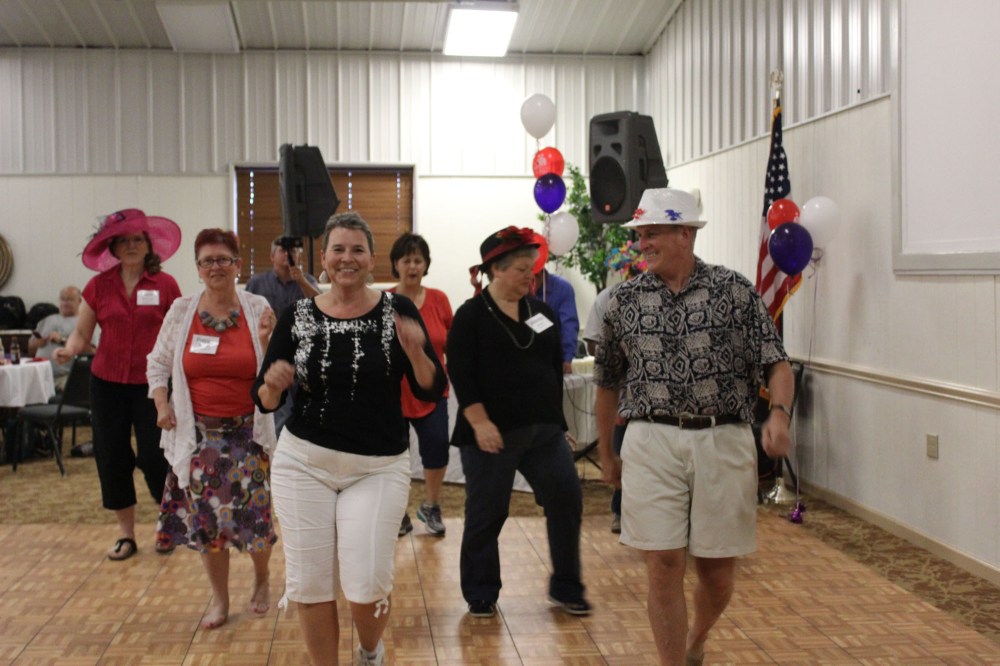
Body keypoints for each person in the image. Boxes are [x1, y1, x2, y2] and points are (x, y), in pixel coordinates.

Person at [593, 188, 794, 665]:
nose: (642, 243)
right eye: (640, 234)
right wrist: (607, 453)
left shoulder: (734, 290)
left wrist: (780, 413)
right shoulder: (622, 302)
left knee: (717, 575)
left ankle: (695, 641)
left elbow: (777, 364)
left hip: (722, 438)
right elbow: (606, 385)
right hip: (650, 437)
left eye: (652, 232)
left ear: (685, 233)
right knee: (662, 564)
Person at [253, 212, 445, 666]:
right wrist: (274, 385)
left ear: (372, 259)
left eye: (357, 250)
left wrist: (416, 352)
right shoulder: (296, 315)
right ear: (323, 258)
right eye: (338, 249)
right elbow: (261, 398)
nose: (347, 258)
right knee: (311, 582)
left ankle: (370, 652)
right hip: (303, 463)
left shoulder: (397, 310)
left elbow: (431, 389)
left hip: (377, 466)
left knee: (367, 583)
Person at [448, 226, 590, 619]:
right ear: (495, 270)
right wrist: (479, 422)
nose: (530, 276)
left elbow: (550, 373)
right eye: (521, 270)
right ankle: (480, 591)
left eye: (532, 269)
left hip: (543, 431)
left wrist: (560, 424)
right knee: (488, 511)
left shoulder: (541, 313)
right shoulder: (471, 316)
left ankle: (566, 586)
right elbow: (461, 374)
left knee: (566, 497)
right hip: (490, 432)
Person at [146, 229, 278, 630]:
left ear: (238, 265)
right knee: (208, 527)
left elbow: (276, 367)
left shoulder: (257, 307)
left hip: (248, 436)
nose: (216, 266)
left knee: (256, 524)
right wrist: (162, 403)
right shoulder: (182, 311)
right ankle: (219, 600)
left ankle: (261, 578)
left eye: (224, 259)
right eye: (207, 261)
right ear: (198, 268)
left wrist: (268, 339)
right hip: (200, 438)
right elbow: (158, 362)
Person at [55, 209, 182, 561]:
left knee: (155, 457)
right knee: (112, 457)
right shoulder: (98, 286)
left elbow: (178, 334)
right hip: (107, 382)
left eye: (137, 239)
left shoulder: (166, 285)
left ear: (148, 245)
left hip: (152, 385)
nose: (131, 246)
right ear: (113, 246)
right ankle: (126, 535)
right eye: (124, 240)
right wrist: (69, 350)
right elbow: (82, 332)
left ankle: (167, 525)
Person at [388, 232, 454, 537]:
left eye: (418, 260)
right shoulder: (384, 301)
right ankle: (397, 512)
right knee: (394, 456)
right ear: (396, 265)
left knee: (437, 446)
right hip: (393, 394)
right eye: (406, 260)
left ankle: (431, 505)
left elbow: (452, 341)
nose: (413, 266)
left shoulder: (439, 299)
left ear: (425, 264)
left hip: (433, 391)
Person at [581, 241, 646, 534]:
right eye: (628, 269)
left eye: (637, 268)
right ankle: (621, 511)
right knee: (624, 455)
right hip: (622, 392)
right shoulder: (609, 298)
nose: (632, 274)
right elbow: (594, 342)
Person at [246, 235, 321, 435]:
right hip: (271, 352)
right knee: (278, 411)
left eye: (294, 251)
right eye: (283, 251)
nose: (289, 255)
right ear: (272, 256)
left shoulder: (308, 280)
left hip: (305, 354)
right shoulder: (257, 283)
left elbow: (324, 308)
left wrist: (302, 281)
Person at [29, 286, 96, 391]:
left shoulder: (83, 322)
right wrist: (36, 343)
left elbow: (92, 351)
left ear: (79, 301)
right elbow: (30, 349)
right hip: (39, 376)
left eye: (69, 299)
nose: (65, 303)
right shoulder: (47, 320)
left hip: (66, 378)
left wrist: (63, 340)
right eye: (63, 299)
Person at [532, 267, 579, 373]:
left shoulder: (562, 288)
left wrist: (567, 358)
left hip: (553, 358)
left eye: (531, 280)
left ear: (539, 274)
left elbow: (569, 325)